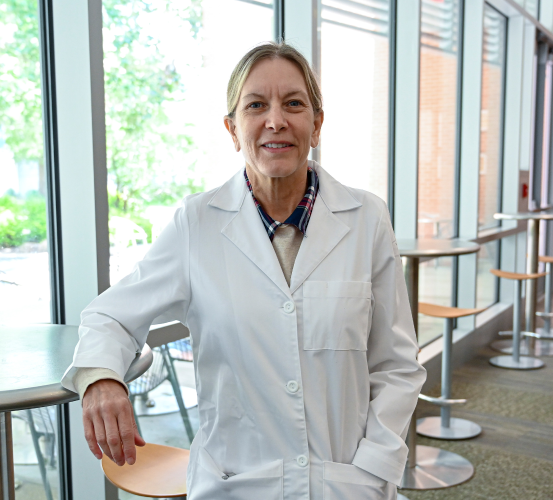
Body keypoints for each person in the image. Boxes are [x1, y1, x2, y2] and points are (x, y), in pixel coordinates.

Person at [62, 42, 426, 500]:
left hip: (346, 484)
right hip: (236, 485)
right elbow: (109, 316)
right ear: (234, 130)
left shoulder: (366, 218)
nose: (276, 120)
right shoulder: (197, 224)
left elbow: (395, 365)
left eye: (294, 103)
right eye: (256, 105)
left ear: (316, 124)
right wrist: (101, 377)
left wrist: (375, 469)